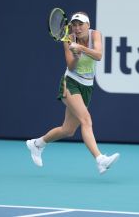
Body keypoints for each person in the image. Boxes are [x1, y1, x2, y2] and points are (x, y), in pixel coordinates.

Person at [26, 11, 120, 174]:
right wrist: (76, 55)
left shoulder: (96, 35)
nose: (77, 28)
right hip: (69, 83)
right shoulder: (68, 38)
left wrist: (81, 48)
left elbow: (98, 55)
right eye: (74, 25)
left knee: (68, 130)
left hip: (87, 86)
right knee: (86, 120)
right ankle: (100, 160)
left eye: (80, 24)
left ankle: (37, 144)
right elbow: (70, 66)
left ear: (88, 25)